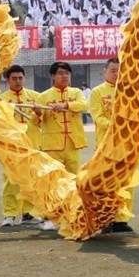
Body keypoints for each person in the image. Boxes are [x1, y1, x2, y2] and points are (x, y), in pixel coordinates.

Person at [36, 61, 89, 231]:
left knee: (73, 181)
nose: (64, 76)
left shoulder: (76, 93)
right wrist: (37, 112)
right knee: (54, 183)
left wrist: (65, 105)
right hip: (52, 145)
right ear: (52, 76)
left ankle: (73, 215)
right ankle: (51, 217)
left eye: (67, 73)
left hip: (72, 144)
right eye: (60, 73)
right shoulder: (43, 97)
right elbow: (36, 121)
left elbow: (83, 106)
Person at [88, 58, 135, 233]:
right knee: (106, 184)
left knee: (126, 182)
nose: (117, 74)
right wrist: (116, 125)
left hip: (127, 145)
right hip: (106, 146)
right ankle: (105, 219)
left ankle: (122, 219)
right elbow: (98, 117)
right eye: (113, 70)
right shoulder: (97, 92)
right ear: (104, 71)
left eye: (119, 70)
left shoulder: (129, 91)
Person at [0, 65, 41, 227]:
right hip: (11, 146)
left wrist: (38, 112)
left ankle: (28, 213)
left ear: (24, 78)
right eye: (14, 78)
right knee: (11, 180)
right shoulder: (1, 100)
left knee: (31, 180)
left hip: (31, 144)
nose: (17, 81)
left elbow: (41, 121)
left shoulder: (35, 97)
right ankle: (9, 214)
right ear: (8, 80)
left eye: (20, 78)